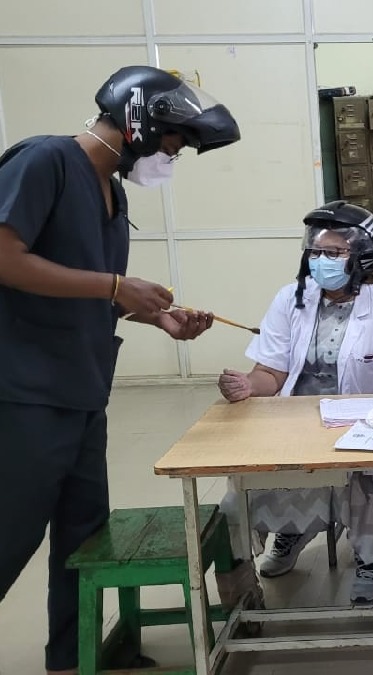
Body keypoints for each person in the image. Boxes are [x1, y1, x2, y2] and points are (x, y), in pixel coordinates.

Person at [0, 65, 238, 675]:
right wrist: (113, 284)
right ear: (141, 123)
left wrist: (155, 317)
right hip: (25, 391)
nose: (174, 155)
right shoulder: (46, 162)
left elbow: (83, 289)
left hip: (81, 388)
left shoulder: (113, 191)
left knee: (82, 536)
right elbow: (5, 258)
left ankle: (71, 660)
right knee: (11, 532)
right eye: (173, 142)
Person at [217, 201, 373, 604]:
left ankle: (369, 556)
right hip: (293, 418)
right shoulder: (291, 298)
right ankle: (290, 532)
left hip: (357, 421)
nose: (322, 260)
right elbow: (270, 373)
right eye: (317, 251)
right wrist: (247, 385)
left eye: (335, 252)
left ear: (363, 255)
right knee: (242, 491)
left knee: (353, 482)